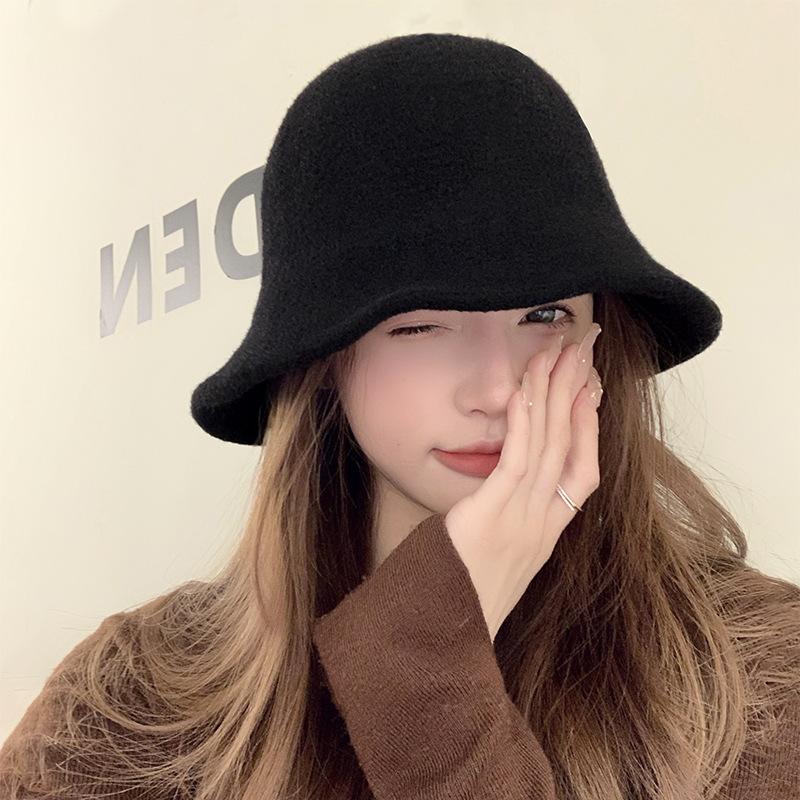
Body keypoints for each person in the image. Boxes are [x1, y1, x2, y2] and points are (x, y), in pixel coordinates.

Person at [2, 33, 798, 800]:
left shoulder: (758, 676)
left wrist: (420, 663)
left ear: (600, 334)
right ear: (325, 363)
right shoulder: (124, 709)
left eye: (545, 314)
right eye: (419, 326)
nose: (496, 389)